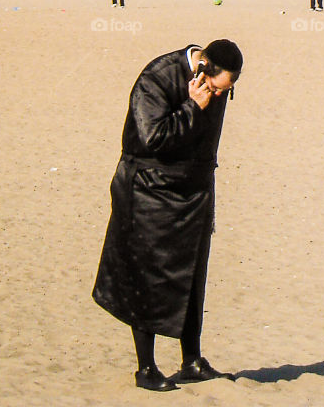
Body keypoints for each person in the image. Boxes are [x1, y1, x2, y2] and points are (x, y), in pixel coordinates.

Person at [93, 39, 243, 391]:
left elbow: (206, 141)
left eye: (226, 92)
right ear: (202, 68)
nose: (218, 96)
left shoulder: (216, 86)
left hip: (194, 192)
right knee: (146, 276)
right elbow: (152, 138)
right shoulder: (157, 78)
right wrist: (192, 107)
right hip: (147, 189)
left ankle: (192, 361)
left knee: (192, 275)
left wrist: (205, 189)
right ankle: (146, 369)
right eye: (217, 89)